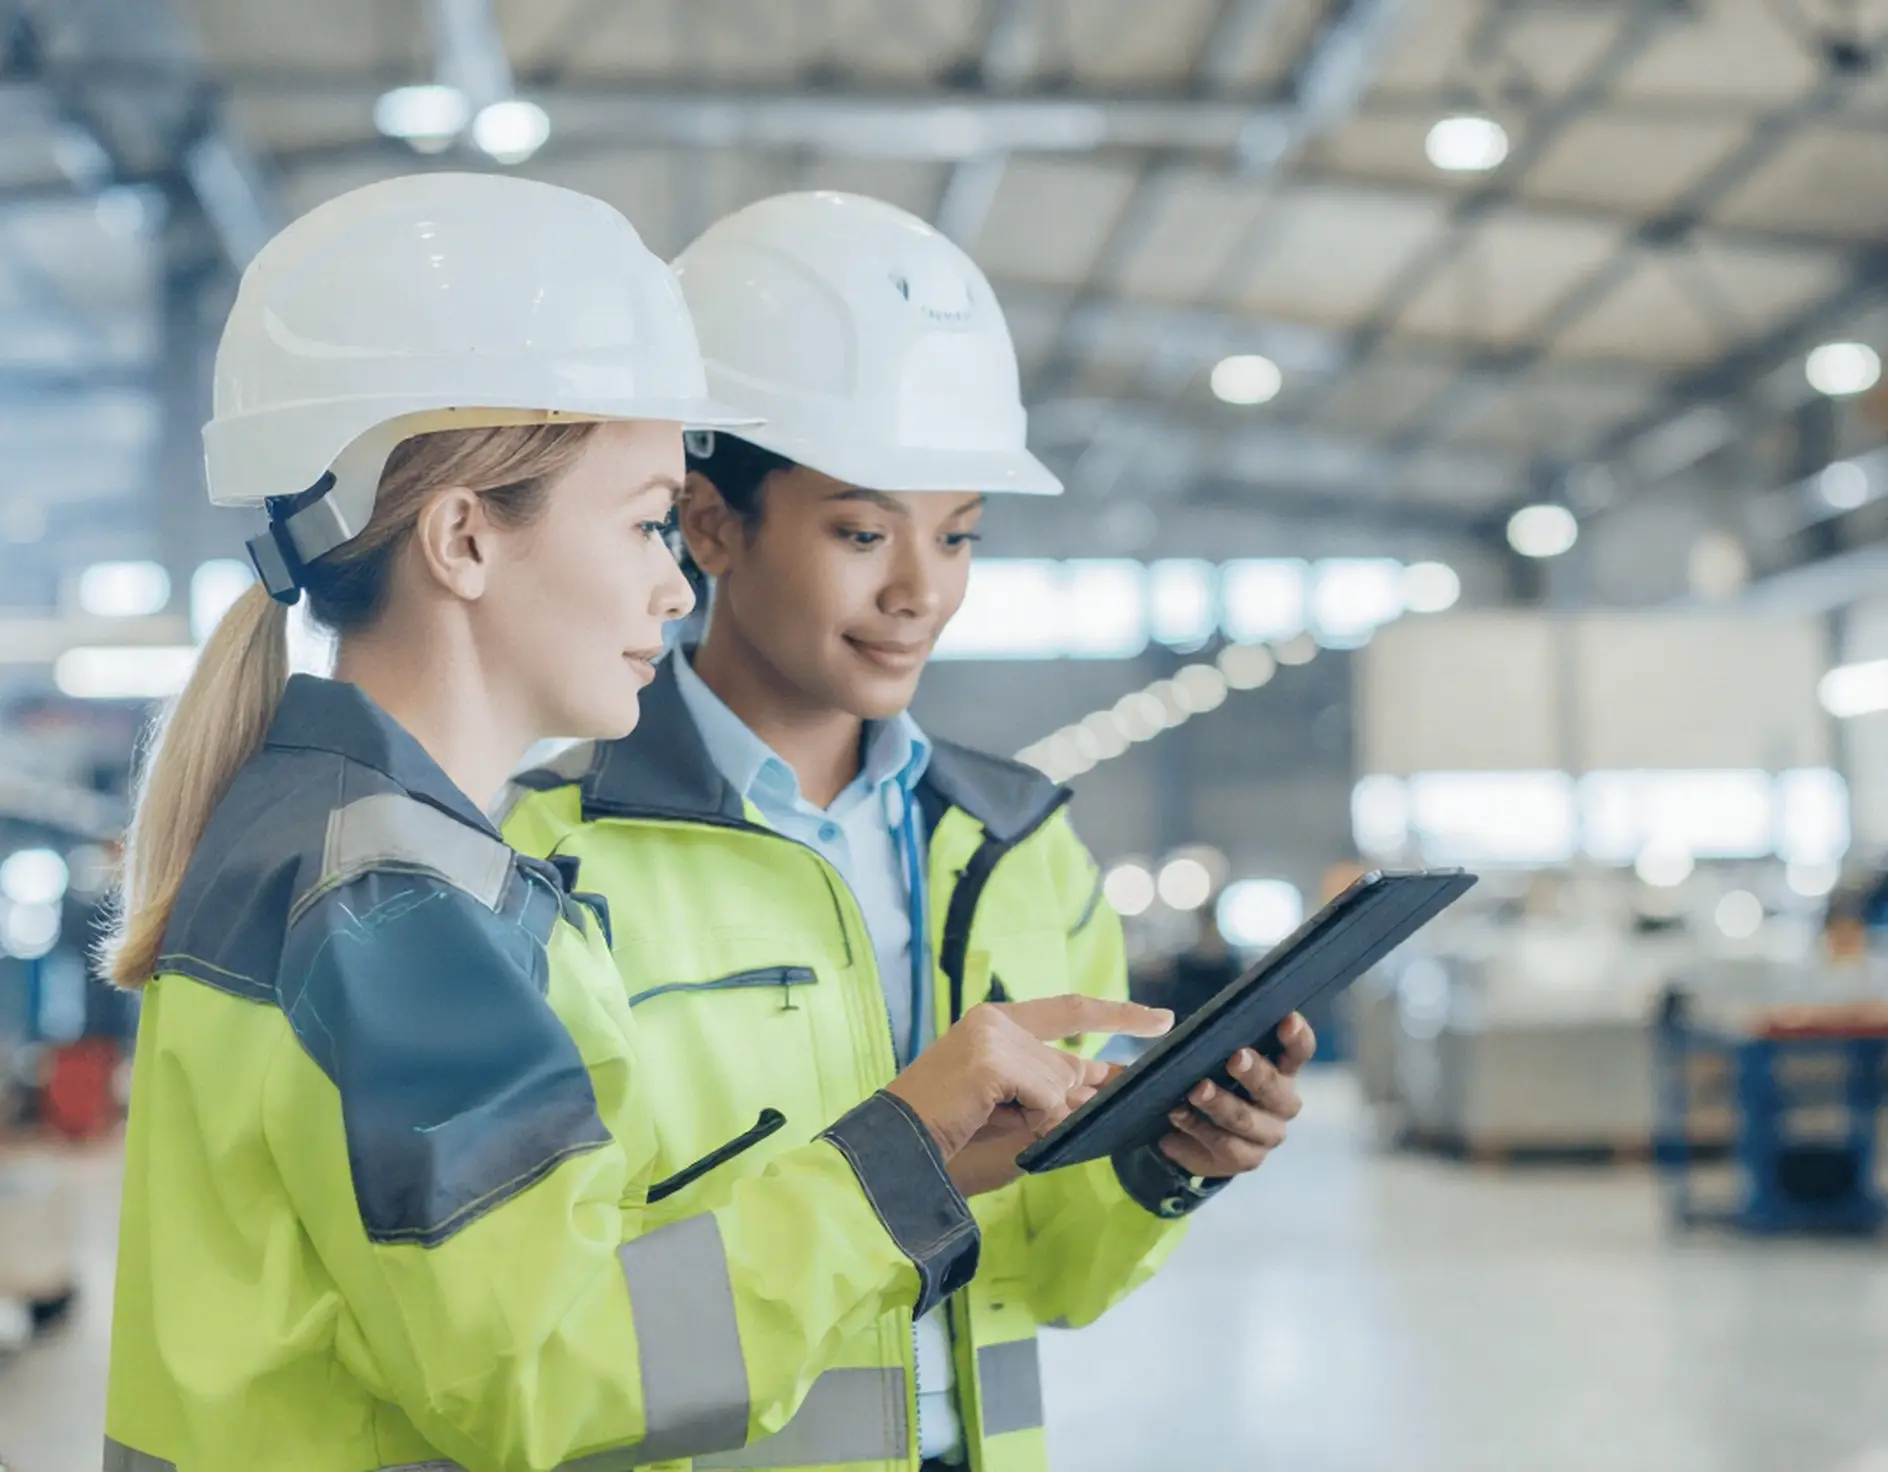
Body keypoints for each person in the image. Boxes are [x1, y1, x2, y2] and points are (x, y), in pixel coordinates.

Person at [100, 174, 1167, 1472]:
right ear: (465, 540)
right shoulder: (397, 910)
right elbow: (553, 1369)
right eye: (653, 520)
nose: (677, 581)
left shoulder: (332, 851)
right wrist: (891, 1153)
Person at [500, 192, 1317, 1472]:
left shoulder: (1019, 843)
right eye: (862, 530)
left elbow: (1052, 1268)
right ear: (709, 524)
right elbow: (538, 1310)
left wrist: (1170, 1160)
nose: (920, 591)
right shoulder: (550, 860)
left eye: (958, 536)